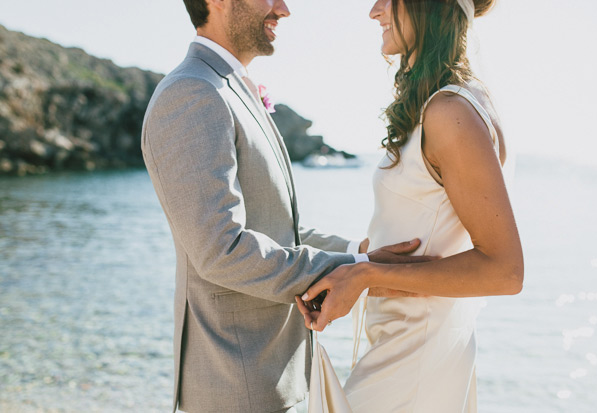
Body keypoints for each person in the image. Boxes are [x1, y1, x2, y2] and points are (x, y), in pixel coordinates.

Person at [141, 0, 431, 412]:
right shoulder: (192, 93)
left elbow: (273, 228)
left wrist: (360, 254)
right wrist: (350, 273)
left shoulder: (227, 87)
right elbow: (220, 250)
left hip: (267, 381)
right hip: (234, 387)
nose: (284, 9)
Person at [296, 0, 524, 411]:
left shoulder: (450, 112)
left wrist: (366, 275)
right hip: (403, 351)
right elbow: (427, 245)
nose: (374, 11)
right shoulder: (441, 106)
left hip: (415, 365)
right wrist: (358, 273)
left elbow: (504, 271)